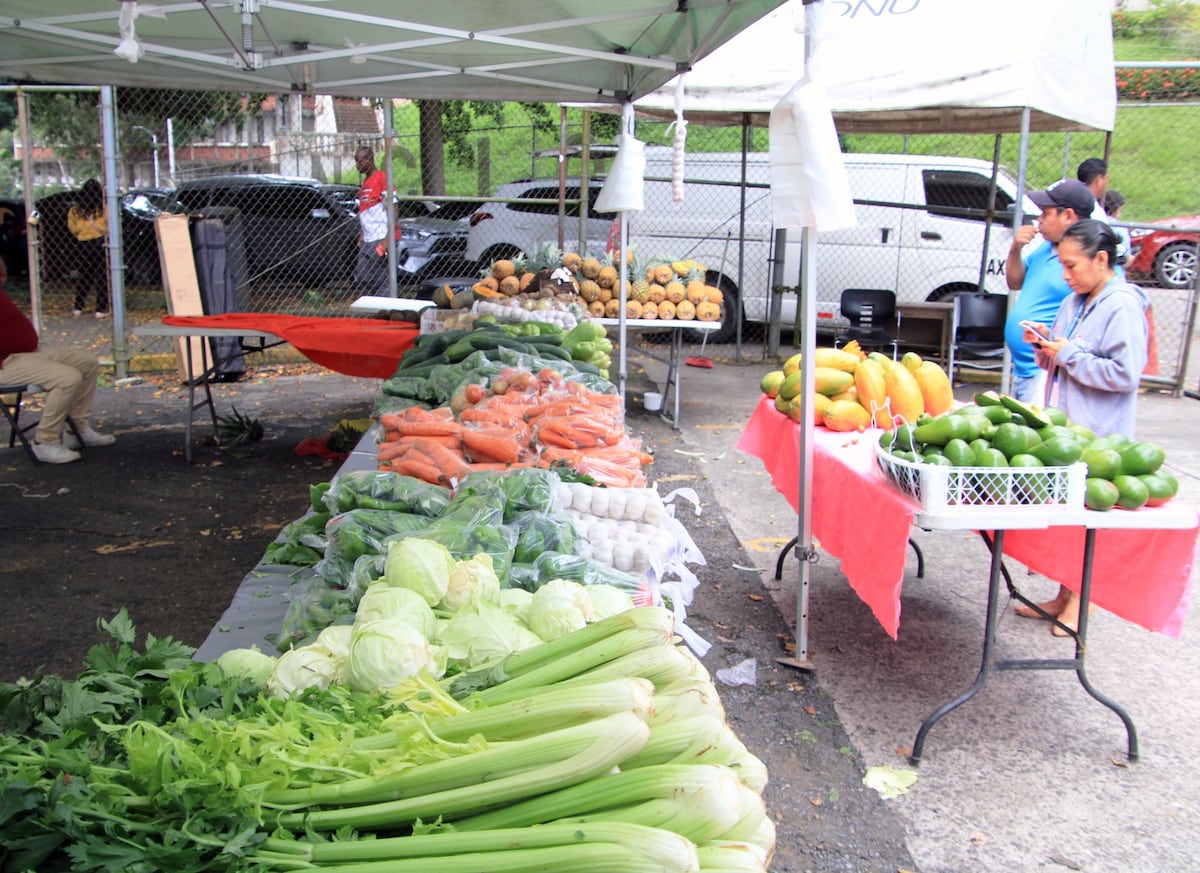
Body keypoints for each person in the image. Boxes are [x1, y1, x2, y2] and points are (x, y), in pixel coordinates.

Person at [1016, 218, 1149, 635]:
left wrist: (1068, 353)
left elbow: (1125, 374)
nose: (1065, 275)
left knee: (1090, 519)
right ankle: (1062, 595)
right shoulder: (1075, 301)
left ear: (1102, 259)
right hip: (1067, 426)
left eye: (1072, 266)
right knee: (1068, 520)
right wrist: (1046, 348)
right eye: (1062, 265)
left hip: (1100, 433)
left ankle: (1084, 600)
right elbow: (1066, 354)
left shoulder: (1122, 304)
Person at [0, 259, 117, 464]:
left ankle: (76, 430)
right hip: (5, 362)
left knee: (86, 363)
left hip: (27, 352)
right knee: (67, 378)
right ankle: (45, 442)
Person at [1003, 178, 1095, 404]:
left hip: (1045, 373)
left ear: (1068, 216)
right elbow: (1015, 282)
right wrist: (1016, 248)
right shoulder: (1046, 248)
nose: (1039, 220)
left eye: (1046, 213)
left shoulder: (1087, 261)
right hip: (1024, 368)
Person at [66, 178, 110, 318]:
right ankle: (100, 309)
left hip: (83, 244)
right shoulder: (104, 209)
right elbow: (110, 224)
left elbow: (73, 229)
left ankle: (78, 307)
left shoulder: (75, 211)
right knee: (102, 275)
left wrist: (84, 233)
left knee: (85, 276)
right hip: (100, 243)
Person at [353, 146, 390, 293]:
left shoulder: (382, 178)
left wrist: (388, 238)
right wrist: (362, 233)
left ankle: (385, 304)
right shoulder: (366, 182)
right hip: (368, 237)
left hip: (380, 235)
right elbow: (365, 210)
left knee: (379, 275)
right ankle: (376, 303)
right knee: (362, 275)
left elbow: (392, 206)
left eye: (359, 161)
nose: (357, 165)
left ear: (369, 159)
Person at [1103, 189, 1131, 266]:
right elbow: (1127, 256)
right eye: (1120, 211)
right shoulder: (1120, 228)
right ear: (1115, 210)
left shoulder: (1092, 219)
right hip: (1113, 266)